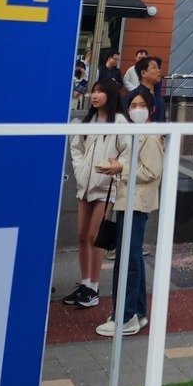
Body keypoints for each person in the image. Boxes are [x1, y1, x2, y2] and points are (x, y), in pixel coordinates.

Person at [95, 89, 164, 338]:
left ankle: (125, 317)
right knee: (131, 257)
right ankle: (137, 312)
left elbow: (152, 172)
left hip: (137, 202)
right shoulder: (137, 134)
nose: (136, 109)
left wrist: (121, 169)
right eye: (132, 105)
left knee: (127, 259)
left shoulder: (150, 136)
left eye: (141, 105)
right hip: (129, 201)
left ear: (151, 109)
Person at [65, 80, 128, 310]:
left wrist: (116, 168)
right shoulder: (87, 121)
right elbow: (76, 148)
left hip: (106, 187)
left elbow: (128, 151)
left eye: (100, 92)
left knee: (95, 235)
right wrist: (80, 170)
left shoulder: (119, 122)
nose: (94, 95)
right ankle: (85, 283)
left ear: (110, 95)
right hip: (85, 185)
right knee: (82, 234)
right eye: (93, 91)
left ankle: (93, 287)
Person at [128, 56, 163, 123]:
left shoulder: (158, 96)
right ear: (143, 73)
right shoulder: (134, 96)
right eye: (154, 67)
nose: (158, 70)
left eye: (158, 68)